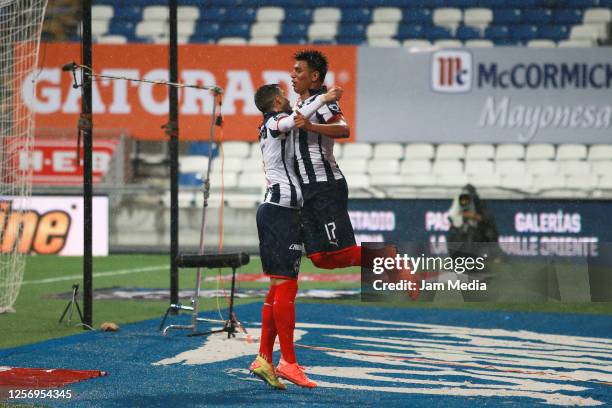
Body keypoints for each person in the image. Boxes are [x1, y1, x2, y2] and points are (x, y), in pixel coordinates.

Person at [290, 50, 418, 300]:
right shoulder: (301, 103)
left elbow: (344, 128)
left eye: (298, 71)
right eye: (293, 70)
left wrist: (311, 126)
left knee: (342, 251)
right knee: (319, 259)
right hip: (307, 190)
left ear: (314, 76)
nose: (292, 74)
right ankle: (385, 257)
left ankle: (389, 260)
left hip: (325, 186)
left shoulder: (322, 101)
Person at [249, 83, 343, 390]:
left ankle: (264, 357)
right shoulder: (274, 121)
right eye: (283, 94)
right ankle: (288, 362)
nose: (289, 97)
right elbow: (290, 121)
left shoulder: (268, 126)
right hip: (280, 209)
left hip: (278, 210)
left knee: (278, 288)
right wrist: (324, 99)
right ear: (277, 101)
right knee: (286, 287)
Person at [447, 184, 500, 261]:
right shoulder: (464, 197)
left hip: (467, 226)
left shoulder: (476, 202)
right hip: (460, 226)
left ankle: (492, 255)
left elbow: (482, 217)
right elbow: (464, 214)